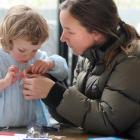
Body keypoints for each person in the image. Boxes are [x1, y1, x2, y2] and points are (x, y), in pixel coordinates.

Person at [23, 0, 140, 139]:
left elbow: (108, 121)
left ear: (96, 32)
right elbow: (77, 116)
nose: (62, 38)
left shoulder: (132, 59)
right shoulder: (88, 57)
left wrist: (54, 92)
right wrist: (49, 88)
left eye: (69, 31)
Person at [0, 5, 68, 127]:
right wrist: (5, 82)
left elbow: (63, 70)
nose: (28, 56)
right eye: (22, 50)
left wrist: (49, 64)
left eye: (34, 50)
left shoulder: (38, 58)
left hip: (32, 128)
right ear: (8, 40)